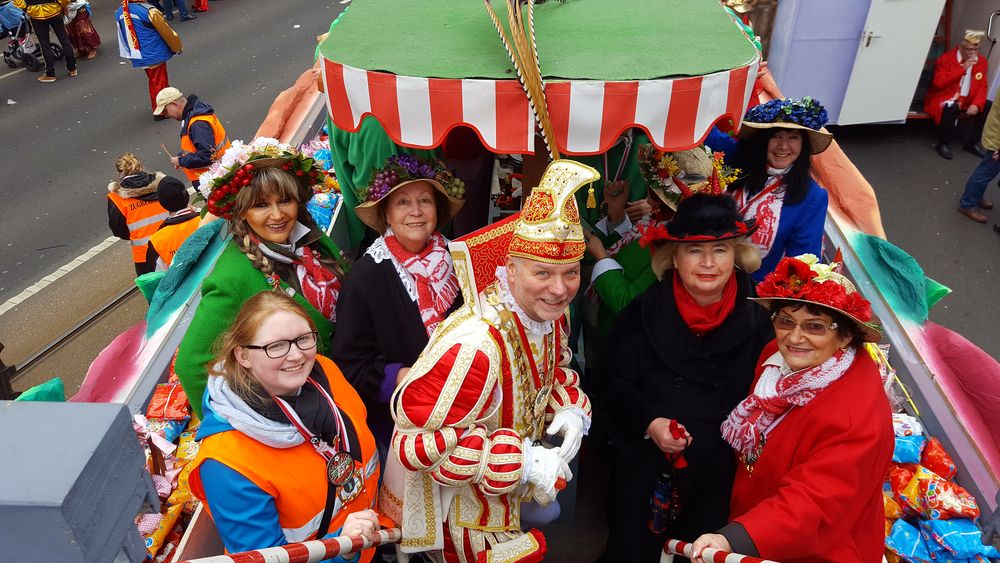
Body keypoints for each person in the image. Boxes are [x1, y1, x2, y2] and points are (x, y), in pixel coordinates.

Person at [390, 160, 598, 562]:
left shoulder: (548, 316)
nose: (560, 289)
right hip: (464, 520)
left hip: (508, 504)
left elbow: (554, 371)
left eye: (570, 273)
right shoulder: (475, 346)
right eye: (543, 273)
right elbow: (419, 445)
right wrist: (524, 463)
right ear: (511, 268)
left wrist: (569, 408)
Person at [600, 193, 772, 561]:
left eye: (720, 250)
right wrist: (650, 422)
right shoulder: (643, 312)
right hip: (647, 471)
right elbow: (610, 381)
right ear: (674, 258)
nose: (708, 263)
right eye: (695, 251)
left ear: (737, 257)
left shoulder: (761, 321)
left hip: (719, 478)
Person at [691, 254, 892, 562]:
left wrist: (734, 538)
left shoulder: (856, 416)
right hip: (762, 518)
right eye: (786, 321)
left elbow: (815, 502)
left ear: (846, 336)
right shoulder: (775, 358)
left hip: (818, 547)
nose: (794, 338)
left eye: (815, 326)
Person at [188, 291, 387, 561]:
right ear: (243, 356)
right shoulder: (226, 463)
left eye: (304, 339)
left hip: (373, 541)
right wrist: (342, 548)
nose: (296, 356)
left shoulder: (325, 372)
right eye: (277, 346)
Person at [175, 137, 348, 420]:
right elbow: (191, 365)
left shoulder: (311, 240)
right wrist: (249, 424)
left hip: (346, 391)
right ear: (241, 212)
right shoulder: (232, 277)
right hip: (306, 413)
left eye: (284, 201)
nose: (278, 215)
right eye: (261, 205)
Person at [330, 154, 465, 459]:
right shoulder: (366, 276)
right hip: (403, 429)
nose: (416, 212)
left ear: (437, 210)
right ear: (387, 214)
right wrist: (404, 377)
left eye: (424, 201)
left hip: (462, 411)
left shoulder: (457, 261)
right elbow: (350, 366)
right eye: (402, 202)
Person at [706, 97, 831, 280]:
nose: (783, 146)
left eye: (794, 137)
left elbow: (803, 263)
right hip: (702, 271)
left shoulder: (812, 197)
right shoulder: (737, 157)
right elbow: (703, 131)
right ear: (762, 140)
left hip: (752, 292)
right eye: (776, 136)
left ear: (804, 145)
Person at [925, 30, 989, 160]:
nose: (972, 53)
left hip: (967, 98)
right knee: (951, 107)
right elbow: (938, 83)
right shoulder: (946, 59)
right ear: (961, 47)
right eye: (969, 49)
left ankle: (972, 143)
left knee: (987, 106)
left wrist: (976, 104)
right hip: (944, 97)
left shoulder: (981, 62)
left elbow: (982, 85)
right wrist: (962, 68)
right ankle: (943, 143)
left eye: (976, 49)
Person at [114, 0, 181, 118]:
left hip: (138, 53)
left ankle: (166, 98)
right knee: (158, 81)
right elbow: (166, 32)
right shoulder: (148, 11)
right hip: (153, 52)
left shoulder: (120, 12)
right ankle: (160, 110)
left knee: (154, 79)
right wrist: (176, 46)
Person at [107, 153, 170, 276]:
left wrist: (137, 234)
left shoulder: (116, 197)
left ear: (120, 173)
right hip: (173, 244)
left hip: (145, 256)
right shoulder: (162, 184)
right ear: (141, 167)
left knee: (155, 291)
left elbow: (118, 230)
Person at [155, 87, 231, 187]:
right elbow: (196, 147)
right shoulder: (194, 113)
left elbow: (207, 155)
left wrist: (181, 161)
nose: (165, 116)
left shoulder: (197, 124)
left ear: (174, 104)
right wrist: (182, 157)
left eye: (165, 111)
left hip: (213, 179)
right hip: (218, 173)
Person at [13, 0, 77, 83]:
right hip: (54, 9)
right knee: (64, 39)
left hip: (35, 13)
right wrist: (63, 6)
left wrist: (26, 8)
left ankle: (50, 74)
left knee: (45, 44)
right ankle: (72, 68)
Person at [145, 175, 199, 271]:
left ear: (162, 204)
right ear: (187, 196)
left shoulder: (157, 241)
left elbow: (156, 280)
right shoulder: (209, 218)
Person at [958, 100, 1000, 224]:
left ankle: (976, 197)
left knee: (987, 170)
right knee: (986, 172)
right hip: (997, 140)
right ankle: (968, 204)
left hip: (996, 135)